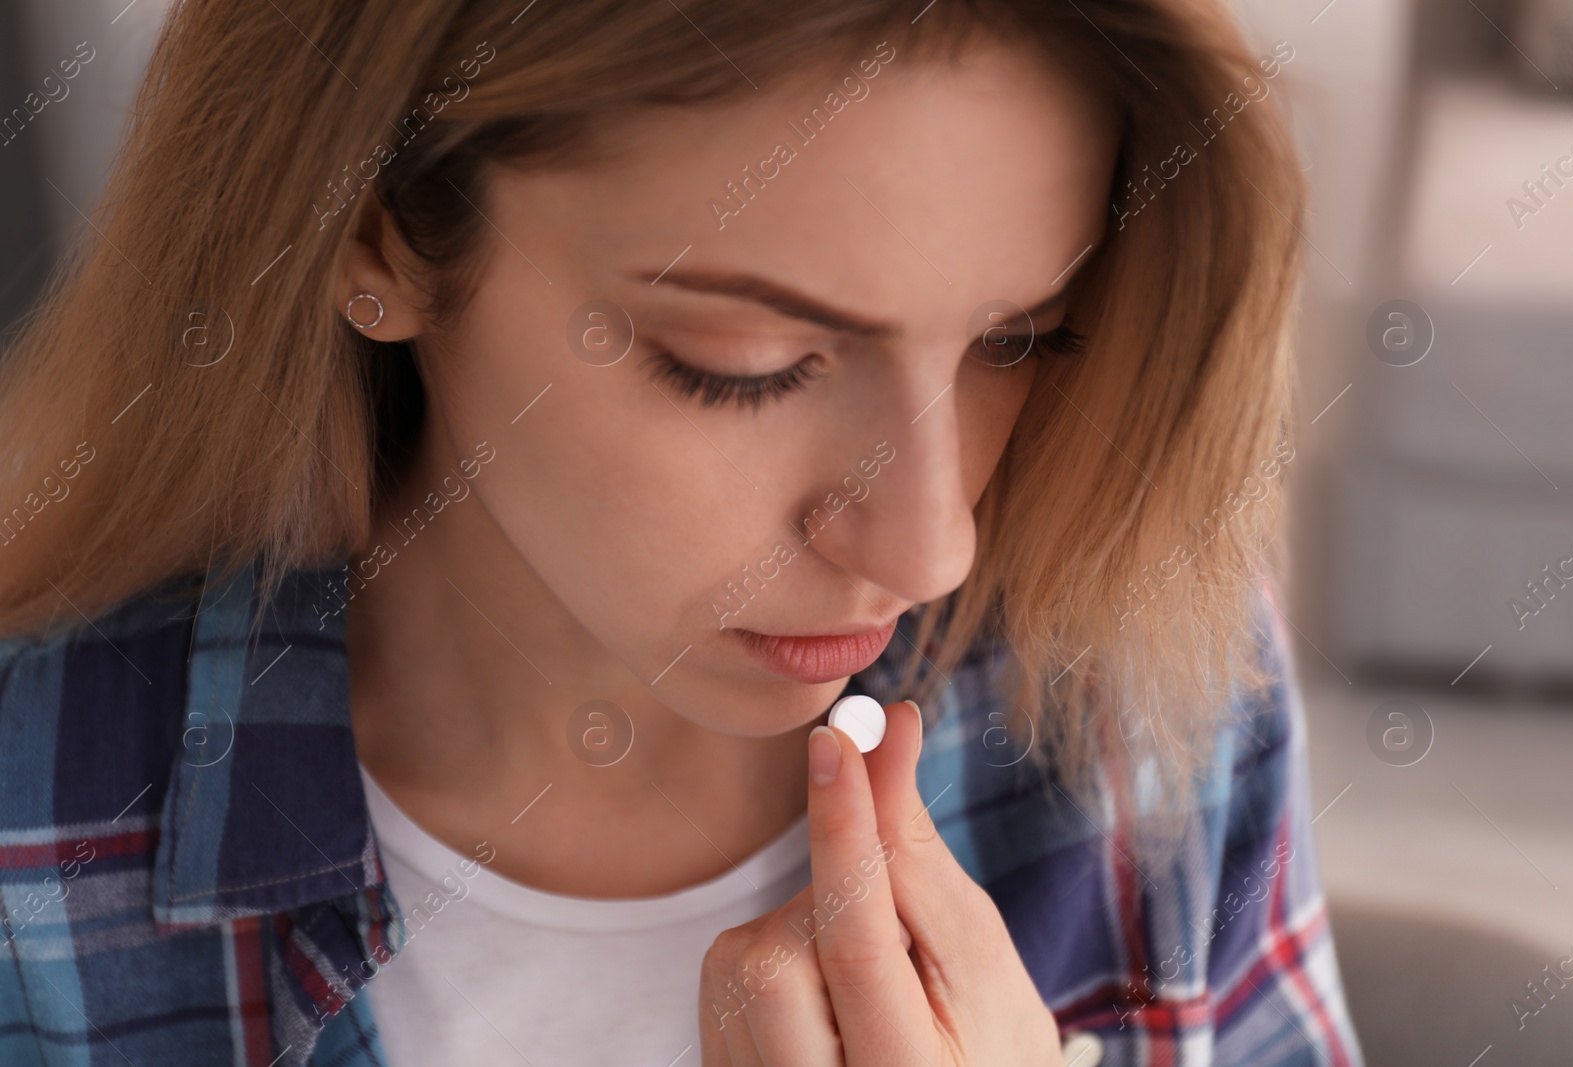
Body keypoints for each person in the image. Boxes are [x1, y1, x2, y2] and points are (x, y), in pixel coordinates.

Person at [0, 0, 1362, 1064]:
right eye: (745, 362)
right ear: (377, 240)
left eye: (1016, 341)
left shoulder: (1146, 685)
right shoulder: (40, 819)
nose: (928, 543)